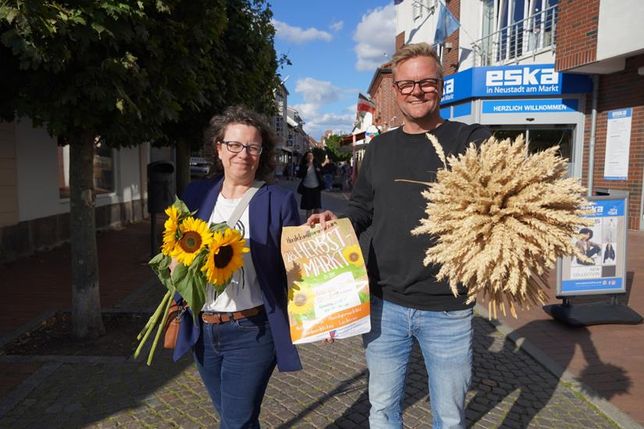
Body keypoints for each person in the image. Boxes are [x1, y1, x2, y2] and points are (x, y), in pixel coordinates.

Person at [308, 43, 491, 428]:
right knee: (383, 410)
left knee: (450, 416)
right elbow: (361, 209)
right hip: (384, 304)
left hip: (448, 306)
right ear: (395, 91)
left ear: (442, 86)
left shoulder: (471, 140)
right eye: (407, 84)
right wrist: (334, 222)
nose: (416, 91)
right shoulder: (379, 148)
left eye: (427, 82)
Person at [173, 105, 302, 428]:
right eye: (234, 145)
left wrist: (324, 317)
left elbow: (299, 270)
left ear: (262, 153)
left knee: (236, 421)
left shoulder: (278, 200)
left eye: (252, 147)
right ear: (219, 148)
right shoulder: (196, 194)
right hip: (203, 329)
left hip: (252, 332)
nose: (242, 154)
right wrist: (176, 268)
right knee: (236, 418)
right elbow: (176, 259)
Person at [297, 151, 323, 218]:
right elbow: (299, 175)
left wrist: (319, 170)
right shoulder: (303, 165)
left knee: (317, 208)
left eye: (311, 156)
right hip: (307, 188)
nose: (310, 157)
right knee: (308, 209)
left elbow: (322, 171)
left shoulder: (316, 164)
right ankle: (308, 224)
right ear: (306, 157)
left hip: (316, 188)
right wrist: (306, 168)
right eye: (308, 156)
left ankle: (316, 223)